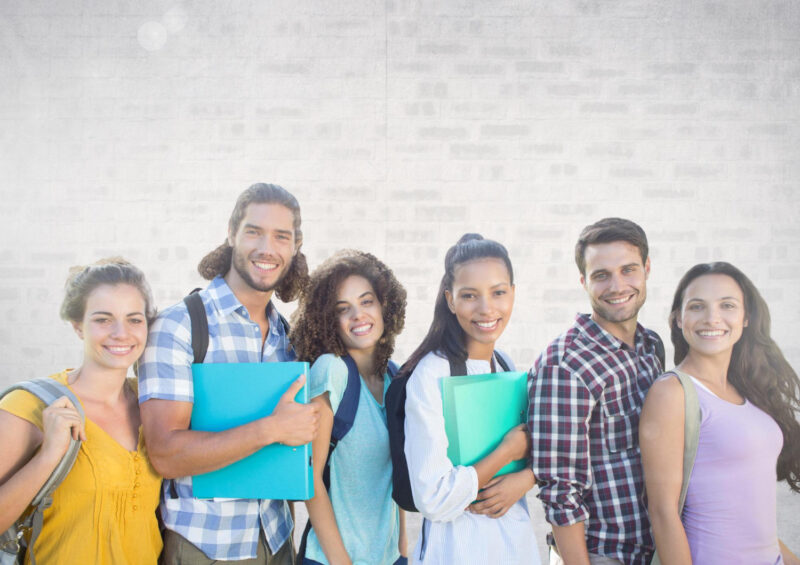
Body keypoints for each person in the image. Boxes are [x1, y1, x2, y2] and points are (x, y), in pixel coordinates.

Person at [138, 183, 321, 565]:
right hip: (205, 545)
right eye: (254, 231)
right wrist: (271, 429)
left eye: (281, 236)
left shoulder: (286, 336)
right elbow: (166, 455)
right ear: (231, 234)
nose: (266, 248)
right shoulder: (181, 325)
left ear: (295, 246)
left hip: (276, 538)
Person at [0, 258, 162, 565]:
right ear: (78, 326)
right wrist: (48, 456)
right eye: (103, 319)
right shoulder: (30, 405)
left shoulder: (153, 402)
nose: (121, 333)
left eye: (134, 319)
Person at [640, 262, 800, 565]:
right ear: (678, 319)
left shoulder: (748, 390)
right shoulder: (672, 392)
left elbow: (748, 511)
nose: (712, 318)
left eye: (727, 305)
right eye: (697, 306)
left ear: (746, 317)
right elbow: (663, 514)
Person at [528, 217, 662, 565]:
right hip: (602, 556)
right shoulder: (565, 365)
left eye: (628, 269)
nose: (617, 285)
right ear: (584, 281)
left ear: (647, 268)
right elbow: (560, 492)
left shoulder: (651, 347)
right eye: (601, 275)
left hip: (657, 550)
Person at [400, 233, 539, 565]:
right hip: (456, 549)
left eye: (498, 293)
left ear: (514, 294)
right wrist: (506, 451)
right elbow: (433, 498)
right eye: (469, 296)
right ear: (450, 300)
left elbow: (539, 454)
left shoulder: (505, 364)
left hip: (514, 544)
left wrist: (525, 478)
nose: (486, 308)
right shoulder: (432, 373)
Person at [290, 249, 408, 565]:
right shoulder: (332, 371)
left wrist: (403, 550)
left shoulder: (395, 376)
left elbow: (395, 475)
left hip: (390, 557)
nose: (358, 314)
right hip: (334, 559)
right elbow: (309, 478)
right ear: (330, 321)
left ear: (385, 306)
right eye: (344, 309)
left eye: (367, 301)